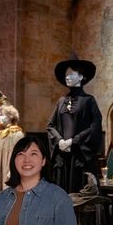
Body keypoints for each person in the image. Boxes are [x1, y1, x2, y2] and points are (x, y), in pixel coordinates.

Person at [47, 57, 102, 193]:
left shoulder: (89, 100)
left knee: (79, 193)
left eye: (71, 74)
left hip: (80, 157)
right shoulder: (61, 101)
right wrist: (60, 141)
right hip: (63, 158)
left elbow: (95, 126)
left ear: (81, 77)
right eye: (66, 75)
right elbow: (50, 125)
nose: (67, 77)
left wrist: (73, 141)